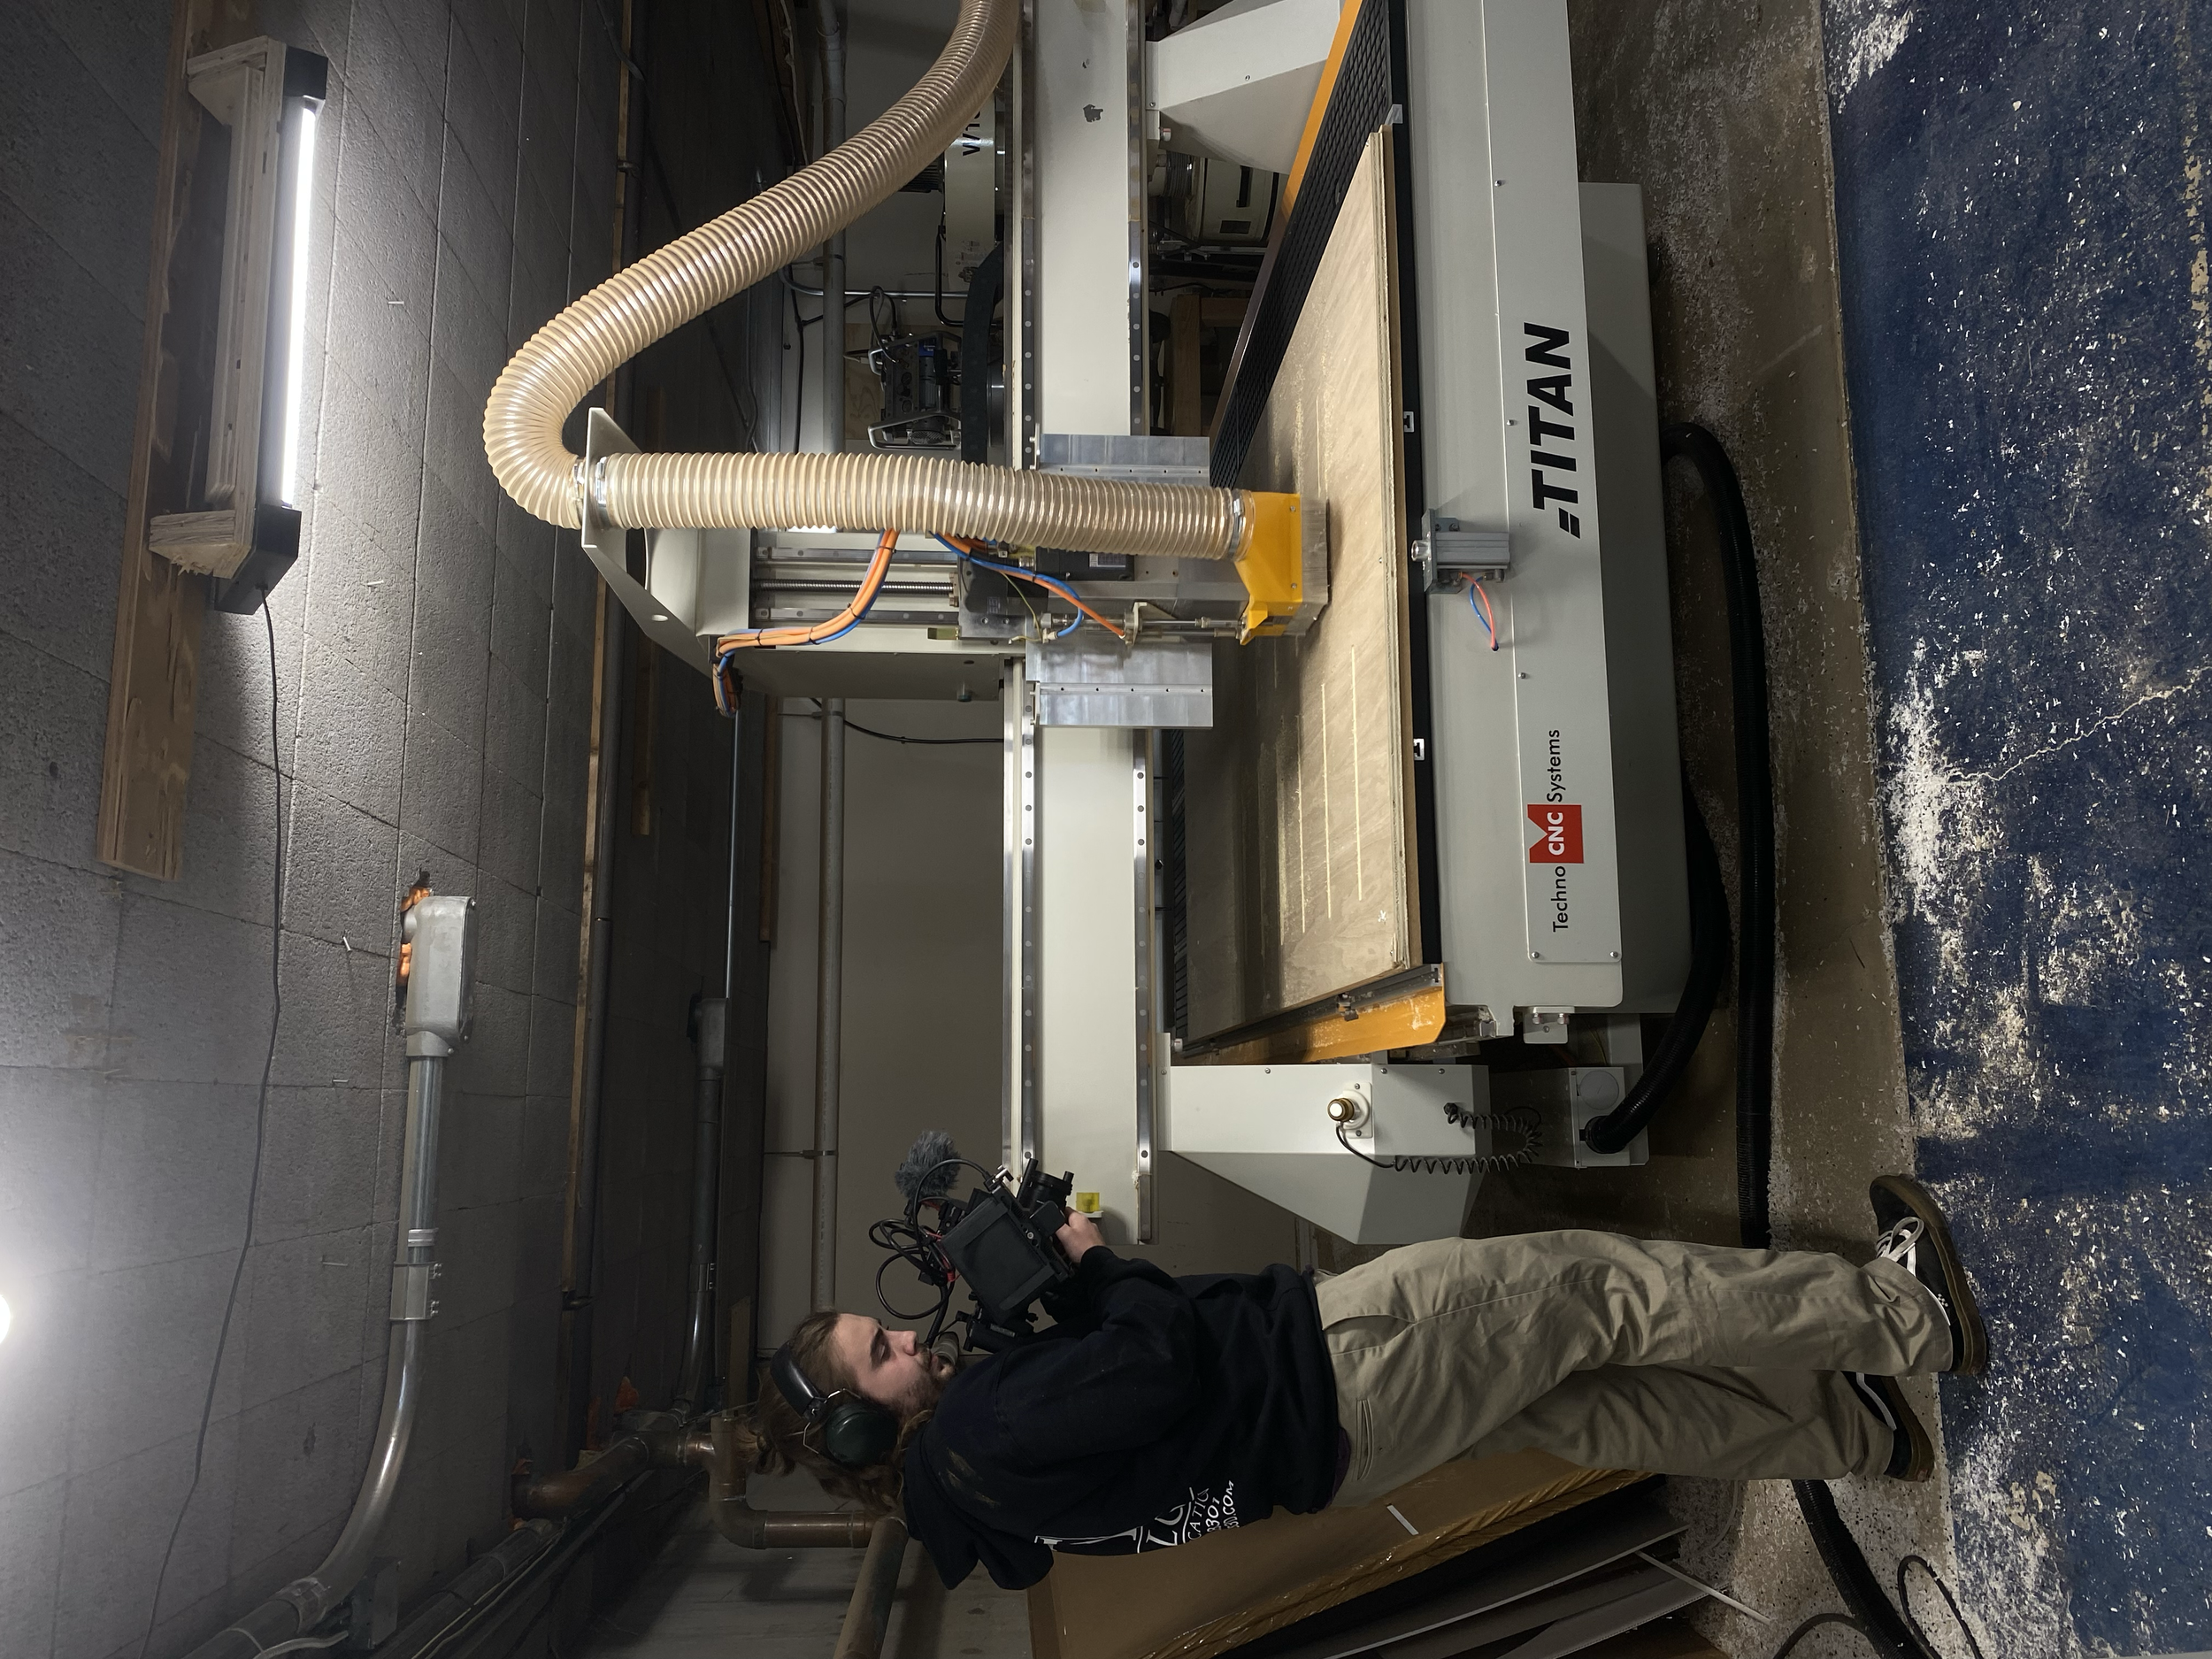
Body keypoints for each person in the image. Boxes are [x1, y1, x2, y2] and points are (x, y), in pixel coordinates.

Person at [752, 1174, 1985, 1591]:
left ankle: (1849, 1428)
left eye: (887, 1331)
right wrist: (1095, 1259)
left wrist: (1072, 1299)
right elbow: (1165, 1354)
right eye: (882, 1354)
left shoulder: (981, 1499)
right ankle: (1908, 1313)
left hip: (1341, 1448)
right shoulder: (980, 1425)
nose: (911, 1343)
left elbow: (1132, 1412)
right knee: (1602, 1293)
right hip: (1343, 1363)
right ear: (863, 1417)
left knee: (1600, 1403)